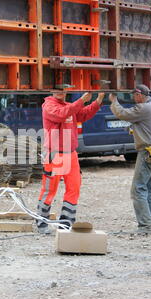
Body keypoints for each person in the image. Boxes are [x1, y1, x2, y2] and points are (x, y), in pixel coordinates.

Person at [36, 91, 105, 234]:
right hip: (54, 154)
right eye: (57, 89)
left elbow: (83, 114)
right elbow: (61, 114)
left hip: (70, 153)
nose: (60, 92)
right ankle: (41, 224)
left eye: (63, 90)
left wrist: (97, 102)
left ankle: (66, 225)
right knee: (49, 190)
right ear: (52, 91)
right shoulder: (48, 105)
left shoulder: (69, 106)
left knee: (74, 188)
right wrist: (81, 101)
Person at [109, 84, 151, 235]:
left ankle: (146, 227)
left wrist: (114, 100)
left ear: (139, 94)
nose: (134, 99)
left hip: (147, 152)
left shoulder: (144, 108)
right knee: (147, 191)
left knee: (138, 190)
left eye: (134, 96)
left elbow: (122, 113)